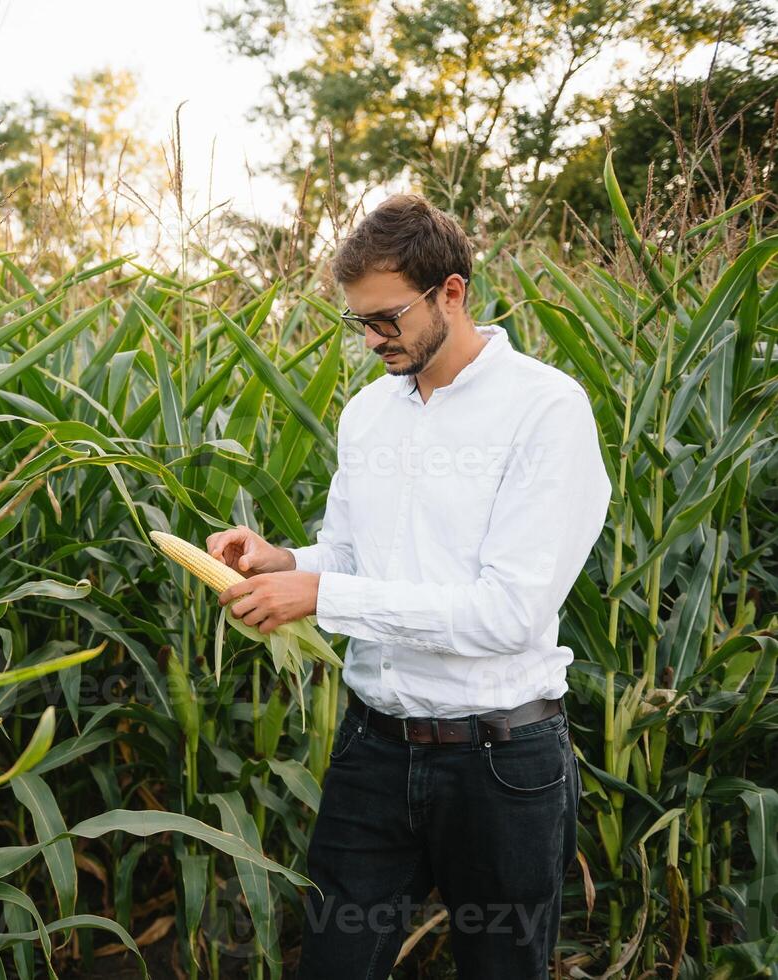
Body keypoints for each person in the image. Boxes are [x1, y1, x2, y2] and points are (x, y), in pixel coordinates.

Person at [206, 194, 611, 979]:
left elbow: (507, 614)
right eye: (357, 321)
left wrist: (322, 597)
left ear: (450, 294)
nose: (369, 339)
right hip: (375, 749)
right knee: (332, 963)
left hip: (499, 762)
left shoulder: (545, 411)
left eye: (386, 319)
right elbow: (355, 553)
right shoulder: (368, 415)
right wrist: (286, 561)